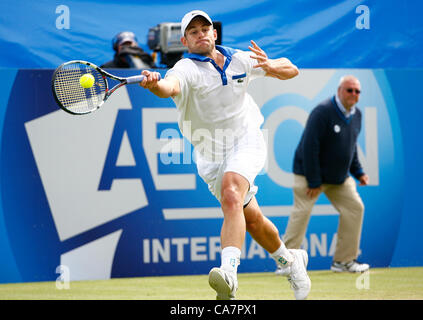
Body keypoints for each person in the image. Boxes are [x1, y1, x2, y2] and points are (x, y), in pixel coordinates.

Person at [139, 10, 311, 300]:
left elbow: (292, 69)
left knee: (232, 193)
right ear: (185, 40)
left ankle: (229, 273)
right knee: (251, 218)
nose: (201, 34)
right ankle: (291, 262)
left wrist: (269, 65)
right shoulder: (185, 69)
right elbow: (169, 87)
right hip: (210, 155)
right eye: (193, 31)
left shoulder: (240, 59)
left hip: (246, 139)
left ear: (214, 34)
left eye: (205, 28)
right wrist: (155, 83)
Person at [278, 75, 370, 274]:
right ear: (339, 91)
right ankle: (286, 264)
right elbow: (309, 146)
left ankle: (343, 262)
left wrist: (359, 172)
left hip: (338, 178)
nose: (354, 94)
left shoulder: (358, 115)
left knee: (355, 208)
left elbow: (350, 148)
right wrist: (314, 180)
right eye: (349, 90)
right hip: (309, 175)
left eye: (357, 91)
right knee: (301, 213)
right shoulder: (322, 111)